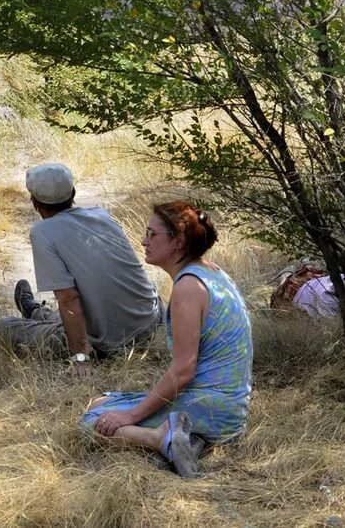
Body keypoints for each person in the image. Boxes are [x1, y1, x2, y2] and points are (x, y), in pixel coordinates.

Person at [81, 201, 252, 478]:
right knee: (100, 402)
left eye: (152, 234)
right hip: (227, 405)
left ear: (178, 241)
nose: (143, 241)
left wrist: (132, 416)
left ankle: (161, 439)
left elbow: (184, 370)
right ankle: (189, 440)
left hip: (215, 409)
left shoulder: (188, 288)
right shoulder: (210, 271)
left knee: (91, 422)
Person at [0, 163, 160, 375]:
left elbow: (68, 299)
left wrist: (81, 358)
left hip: (107, 343)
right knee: (76, 313)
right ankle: (34, 311)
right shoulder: (101, 215)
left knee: (3, 328)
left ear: (34, 202)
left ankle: (35, 313)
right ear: (73, 193)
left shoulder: (42, 232)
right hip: (150, 323)